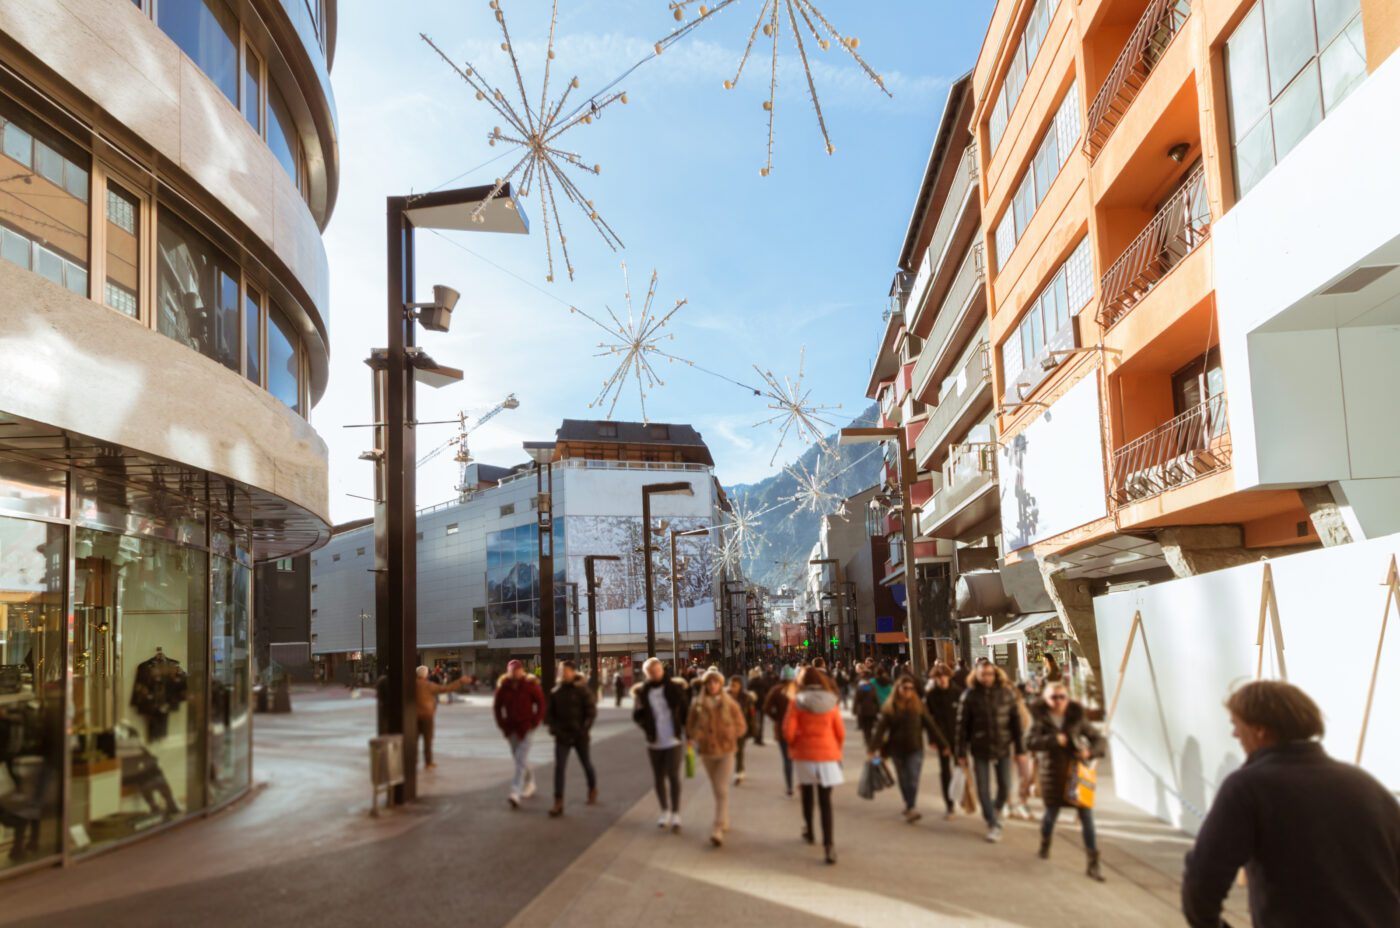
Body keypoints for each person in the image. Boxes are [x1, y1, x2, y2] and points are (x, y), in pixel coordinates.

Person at [1181, 680, 1400, 927]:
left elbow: (1204, 879)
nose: (1234, 734)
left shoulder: (1247, 787)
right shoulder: (1366, 785)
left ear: (1260, 729)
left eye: (1236, 724)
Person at [1026, 681, 1106, 881]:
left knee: (1087, 818)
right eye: (1054, 697)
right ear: (1046, 698)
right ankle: (1045, 844)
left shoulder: (1076, 716)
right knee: (1051, 814)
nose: (1059, 701)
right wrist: (1054, 741)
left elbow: (1098, 739)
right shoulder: (1039, 718)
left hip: (1076, 774)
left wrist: (1089, 751)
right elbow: (1029, 742)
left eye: (1062, 696)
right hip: (1052, 773)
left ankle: (1093, 862)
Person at [956, 661, 1025, 842]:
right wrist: (961, 753)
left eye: (989, 674)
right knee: (983, 788)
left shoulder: (1006, 693)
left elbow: (1016, 723)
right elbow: (961, 727)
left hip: (1002, 746)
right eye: (982, 674)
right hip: (979, 748)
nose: (986, 678)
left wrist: (1020, 749)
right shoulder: (969, 696)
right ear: (976, 675)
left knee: (1005, 785)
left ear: (995, 674)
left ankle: (995, 809)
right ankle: (992, 823)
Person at [784, 667, 844, 865]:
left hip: (805, 753)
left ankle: (809, 830)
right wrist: (835, 748)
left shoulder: (796, 702)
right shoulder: (831, 701)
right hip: (827, 754)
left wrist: (795, 744)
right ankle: (829, 846)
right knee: (826, 801)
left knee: (807, 794)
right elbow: (840, 732)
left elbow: (788, 731)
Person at [870, 674, 948, 823]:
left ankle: (911, 806)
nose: (908, 691)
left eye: (911, 688)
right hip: (896, 749)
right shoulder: (890, 707)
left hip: (915, 748)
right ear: (898, 689)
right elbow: (880, 729)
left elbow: (931, 726)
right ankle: (909, 804)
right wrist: (873, 748)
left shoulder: (918, 706)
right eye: (905, 688)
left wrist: (943, 744)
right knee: (903, 779)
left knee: (912, 778)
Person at [687, 669, 748, 846]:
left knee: (721, 788)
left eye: (715, 682)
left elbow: (741, 725)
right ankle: (725, 817)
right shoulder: (697, 704)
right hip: (707, 752)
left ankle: (718, 827)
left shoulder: (729, 703)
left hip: (726, 751)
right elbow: (689, 727)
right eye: (709, 683)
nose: (712, 685)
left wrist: (731, 733)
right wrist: (696, 734)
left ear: (721, 684)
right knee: (717, 789)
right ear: (705, 685)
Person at [632, 656, 690, 833]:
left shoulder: (674, 688)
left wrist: (689, 733)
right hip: (654, 741)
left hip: (672, 739)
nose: (655, 673)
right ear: (646, 674)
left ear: (662, 670)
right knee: (658, 777)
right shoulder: (643, 692)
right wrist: (646, 726)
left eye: (657, 670)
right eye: (650, 671)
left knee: (673, 775)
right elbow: (637, 714)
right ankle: (664, 811)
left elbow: (685, 711)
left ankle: (676, 813)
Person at [544, 661, 598, 817]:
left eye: (567, 671)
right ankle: (558, 802)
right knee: (559, 768)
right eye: (562, 671)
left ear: (574, 672)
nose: (564, 673)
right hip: (562, 736)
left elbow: (591, 712)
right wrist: (555, 731)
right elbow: (549, 717)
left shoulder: (582, 690)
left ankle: (592, 788)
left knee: (586, 764)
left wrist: (584, 729)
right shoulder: (556, 692)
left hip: (580, 735)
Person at [493, 659, 545, 809]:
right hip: (511, 729)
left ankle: (515, 792)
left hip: (526, 728)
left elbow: (541, 703)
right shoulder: (503, 688)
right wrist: (502, 725)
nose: (514, 672)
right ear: (508, 671)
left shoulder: (530, 686)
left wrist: (535, 722)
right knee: (519, 759)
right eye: (511, 670)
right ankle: (531, 783)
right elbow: (497, 707)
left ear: (521, 670)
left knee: (520, 759)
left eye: (517, 670)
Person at [413, 665, 469, 769]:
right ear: (426, 675)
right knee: (427, 740)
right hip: (427, 716)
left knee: (413, 741)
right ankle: (428, 762)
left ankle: (413, 762)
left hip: (413, 717)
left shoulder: (410, 685)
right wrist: (460, 682)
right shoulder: (428, 685)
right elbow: (446, 688)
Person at [924, 662, 961, 819]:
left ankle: (964, 797)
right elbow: (929, 720)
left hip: (958, 738)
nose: (942, 680)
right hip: (942, 739)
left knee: (961, 770)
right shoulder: (931, 695)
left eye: (944, 676)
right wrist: (932, 739)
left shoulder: (958, 692)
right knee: (945, 771)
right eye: (938, 677)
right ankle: (949, 804)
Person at [763, 667, 798, 797]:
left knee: (787, 759)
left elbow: (766, 708)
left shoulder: (776, 691)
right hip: (798, 729)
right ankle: (804, 783)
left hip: (782, 728)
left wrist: (776, 717)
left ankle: (789, 787)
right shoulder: (798, 690)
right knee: (799, 757)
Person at [727, 675, 758, 785]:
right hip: (728, 729)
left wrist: (753, 729)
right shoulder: (725, 696)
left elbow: (752, 715)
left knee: (739, 750)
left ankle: (738, 772)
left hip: (741, 728)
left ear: (740, 686)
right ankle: (740, 768)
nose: (732, 687)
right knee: (733, 751)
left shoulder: (746, 698)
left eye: (734, 685)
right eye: (730, 685)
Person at [852, 672, 881, 749]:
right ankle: (869, 739)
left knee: (865, 727)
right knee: (870, 726)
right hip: (871, 710)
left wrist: (854, 710)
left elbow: (856, 700)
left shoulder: (860, 688)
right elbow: (876, 699)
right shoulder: (872, 687)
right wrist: (878, 709)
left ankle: (867, 739)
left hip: (862, 710)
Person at [747, 668, 771, 746]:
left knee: (754, 721)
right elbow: (767, 689)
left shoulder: (750, 683)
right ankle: (759, 738)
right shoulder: (762, 682)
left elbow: (748, 693)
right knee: (760, 721)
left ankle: (755, 737)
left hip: (753, 704)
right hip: (761, 704)